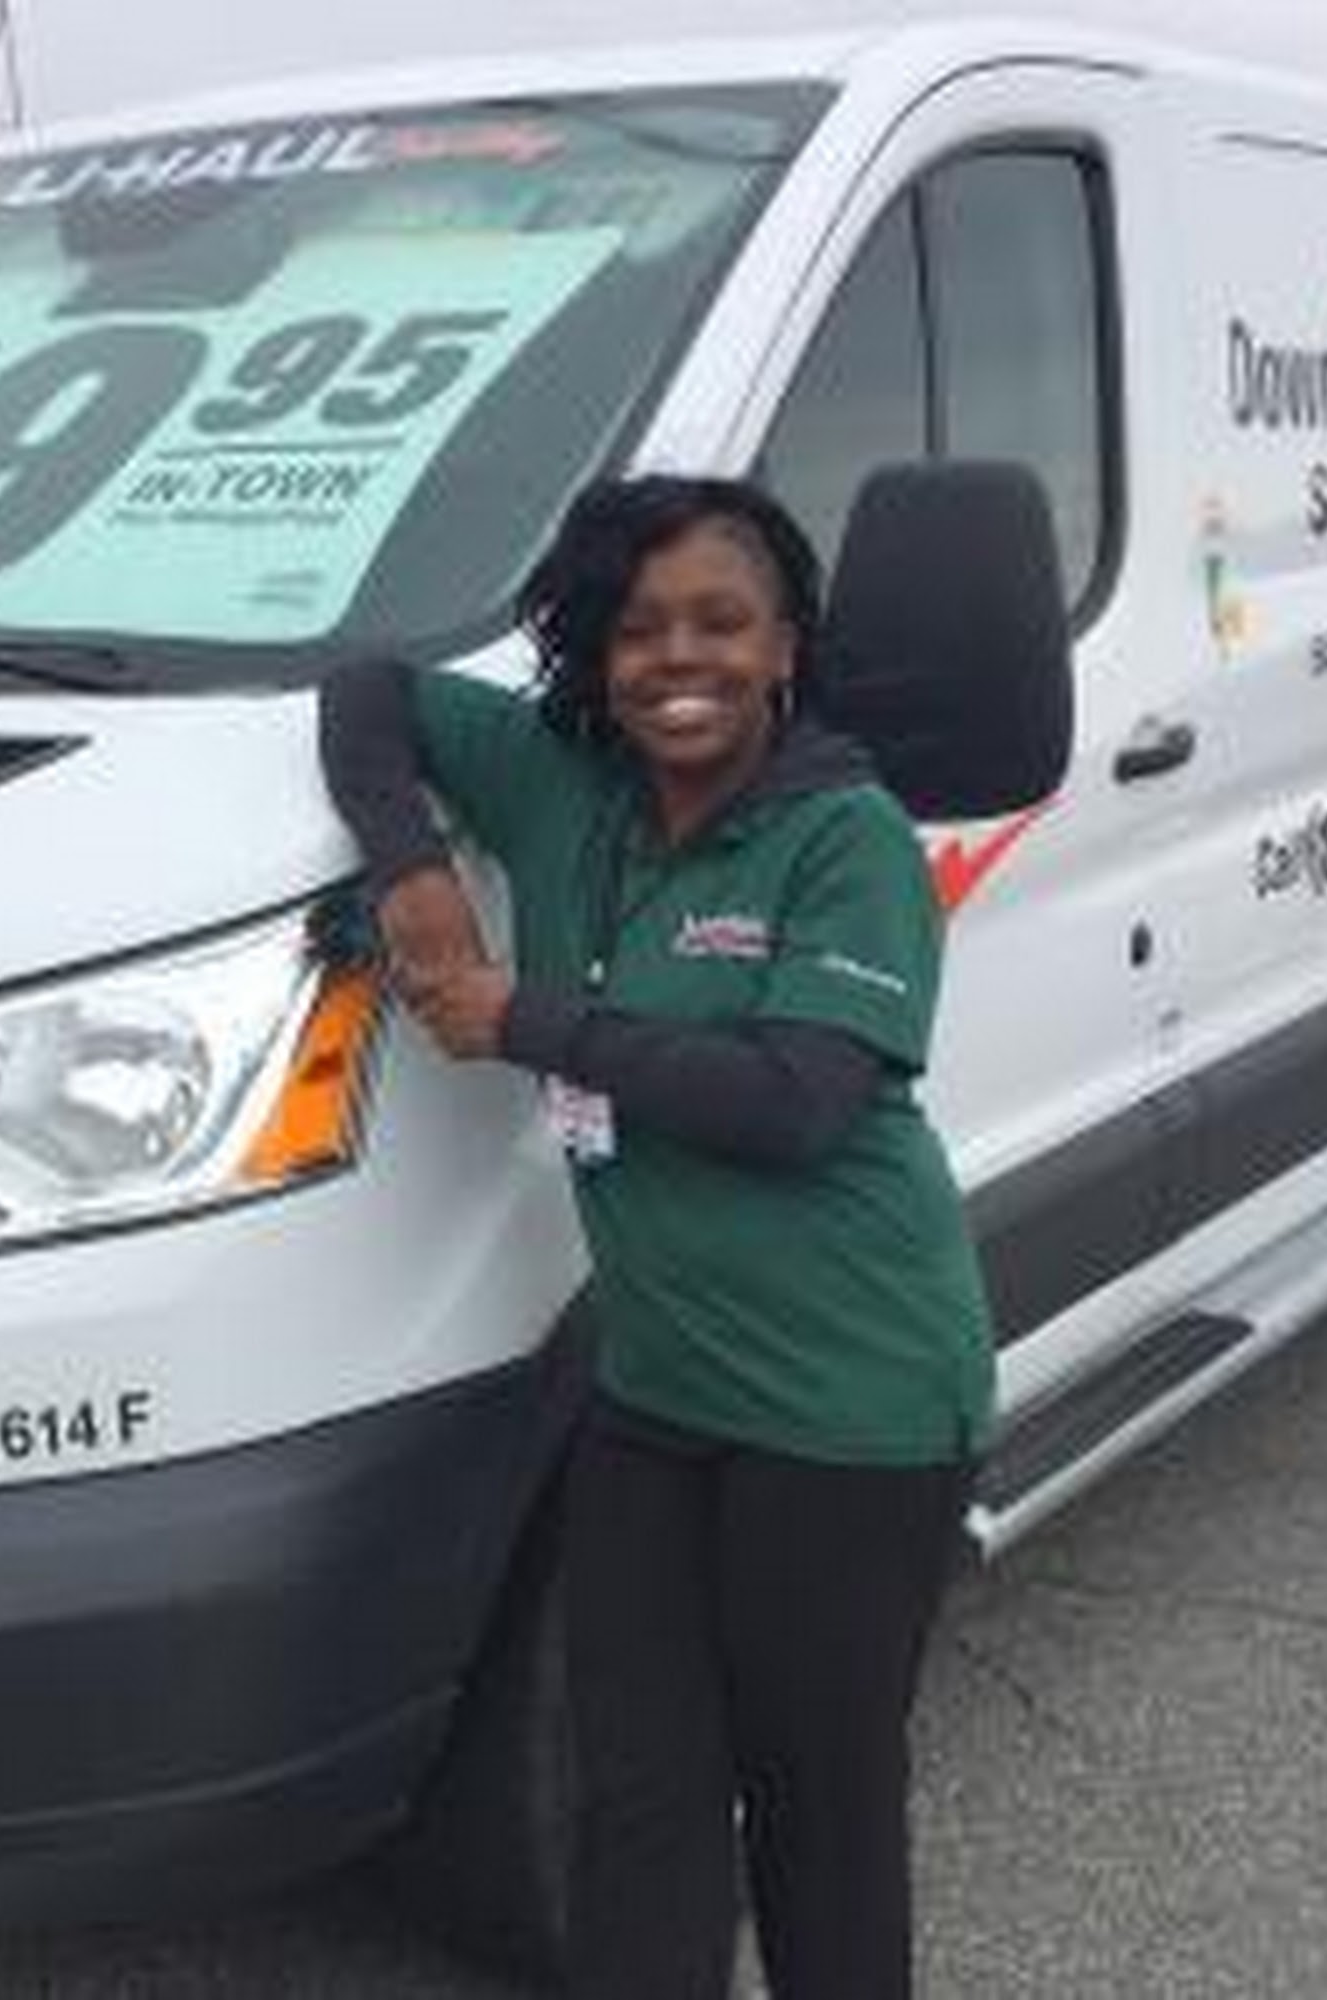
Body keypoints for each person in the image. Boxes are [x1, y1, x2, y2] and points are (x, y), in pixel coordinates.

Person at [318, 474, 992, 2000]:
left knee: (819, 1803)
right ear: (593, 651)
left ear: (786, 647)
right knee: (640, 1799)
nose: (678, 659)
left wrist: (526, 1017)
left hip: (855, 1406)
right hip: (659, 1400)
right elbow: (367, 694)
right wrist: (413, 872)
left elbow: (796, 1101)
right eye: (638, 629)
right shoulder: (566, 787)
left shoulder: (846, 839)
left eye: (720, 623)